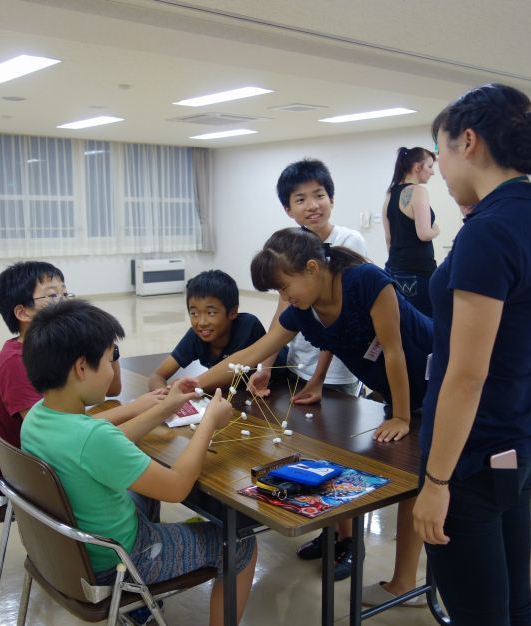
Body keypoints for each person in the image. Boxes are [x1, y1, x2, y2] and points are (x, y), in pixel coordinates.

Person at [412, 83, 531, 626]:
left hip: (470, 453)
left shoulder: (490, 231)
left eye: (439, 154)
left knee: (480, 612)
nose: (438, 168)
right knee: (512, 598)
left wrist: (436, 484)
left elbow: (465, 374)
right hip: (523, 435)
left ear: (468, 141)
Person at [196, 226, 432, 587]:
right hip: (397, 388)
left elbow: (394, 350)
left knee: (419, 475)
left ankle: (405, 583)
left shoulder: (365, 281)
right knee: (391, 464)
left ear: (311, 268)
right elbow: (250, 354)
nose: (283, 297)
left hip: (433, 377)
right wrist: (193, 385)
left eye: (284, 286)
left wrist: (401, 413)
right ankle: (361, 552)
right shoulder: (303, 308)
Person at [20, 299, 257, 626]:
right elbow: (176, 487)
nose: (111, 371)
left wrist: (164, 407)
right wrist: (208, 423)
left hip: (70, 554)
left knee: (143, 484)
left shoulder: (37, 418)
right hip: (119, 561)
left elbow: (102, 439)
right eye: (109, 360)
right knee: (242, 543)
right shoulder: (93, 440)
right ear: (80, 368)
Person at [0, 261, 162, 479]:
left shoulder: (57, 349)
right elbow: (56, 435)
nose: (63, 302)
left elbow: (113, 389)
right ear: (22, 313)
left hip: (48, 464)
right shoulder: (15, 362)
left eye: (65, 294)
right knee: (135, 461)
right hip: (30, 478)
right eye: (51, 296)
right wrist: (138, 407)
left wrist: (106, 344)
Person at [248, 158, 367, 405]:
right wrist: (266, 367)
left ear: (331, 199)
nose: (312, 206)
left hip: (337, 372)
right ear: (288, 209)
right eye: (300, 199)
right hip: (298, 363)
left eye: (319, 195)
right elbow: (283, 310)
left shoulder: (349, 241)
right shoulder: (290, 248)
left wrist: (319, 378)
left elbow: (338, 318)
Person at [148, 269, 285, 390]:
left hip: (282, 381)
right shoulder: (195, 336)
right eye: (194, 313)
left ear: (232, 312)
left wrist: (189, 386)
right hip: (243, 392)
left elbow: (230, 376)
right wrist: (164, 396)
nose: (201, 323)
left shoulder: (248, 326)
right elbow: (157, 375)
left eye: (211, 313)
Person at [382, 146, 440, 317]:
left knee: (403, 321)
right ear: (417, 167)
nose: (432, 172)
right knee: (426, 322)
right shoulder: (418, 191)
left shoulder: (390, 194)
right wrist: (436, 229)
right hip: (418, 272)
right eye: (429, 167)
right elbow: (424, 234)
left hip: (393, 269)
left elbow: (388, 238)